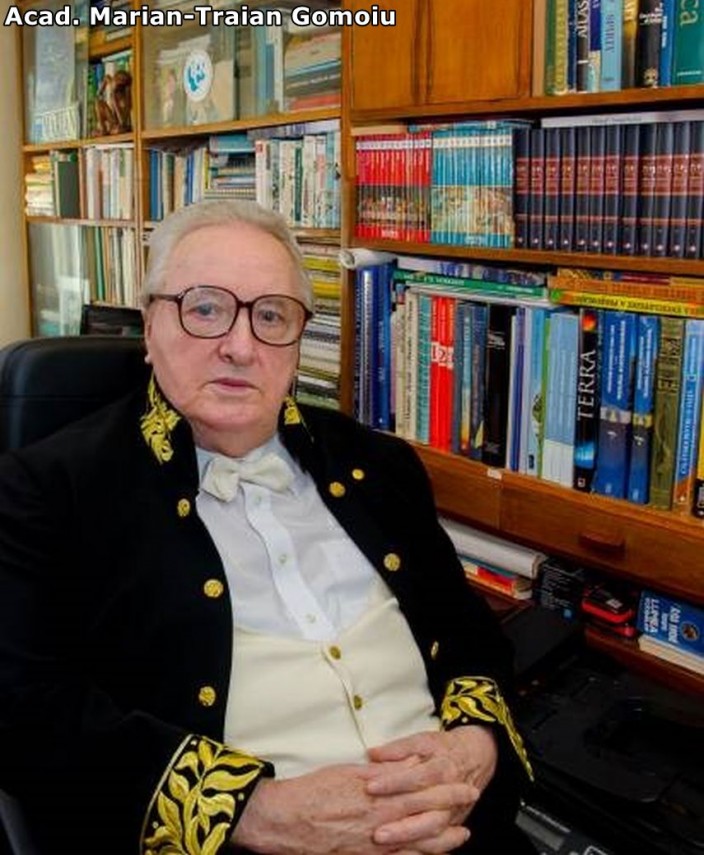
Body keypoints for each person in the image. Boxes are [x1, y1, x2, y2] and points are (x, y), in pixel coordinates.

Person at [0, 200, 534, 855]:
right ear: (149, 325)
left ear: (298, 338)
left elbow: (471, 635)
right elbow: (25, 709)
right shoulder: (46, 491)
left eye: (272, 315)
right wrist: (254, 812)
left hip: (463, 833)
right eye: (204, 309)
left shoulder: (380, 465)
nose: (241, 346)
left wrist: (476, 745)